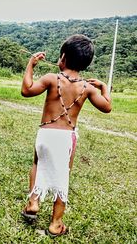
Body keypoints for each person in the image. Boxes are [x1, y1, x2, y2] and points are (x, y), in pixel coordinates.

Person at [21, 34, 112, 237]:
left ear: (62, 57)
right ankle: (56, 224)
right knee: (63, 176)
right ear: (86, 64)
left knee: (37, 164)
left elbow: (26, 90)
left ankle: (33, 203)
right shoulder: (87, 88)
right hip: (66, 139)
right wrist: (104, 87)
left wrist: (31, 64)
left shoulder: (51, 79)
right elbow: (107, 107)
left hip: (45, 134)